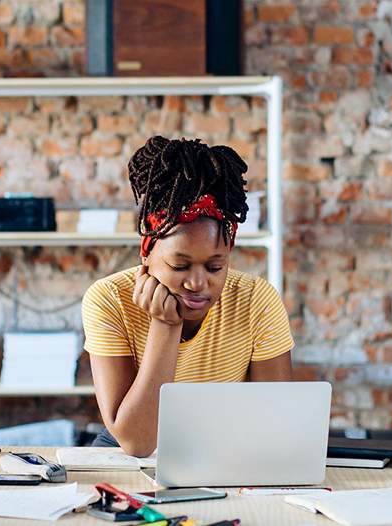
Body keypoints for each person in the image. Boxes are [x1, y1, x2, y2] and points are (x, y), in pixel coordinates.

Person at [81, 136, 294, 457]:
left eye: (215, 266)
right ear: (146, 252)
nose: (198, 283)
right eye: (180, 265)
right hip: (128, 450)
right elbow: (137, 442)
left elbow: (275, 424)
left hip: (223, 446)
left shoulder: (255, 299)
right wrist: (166, 326)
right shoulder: (109, 299)